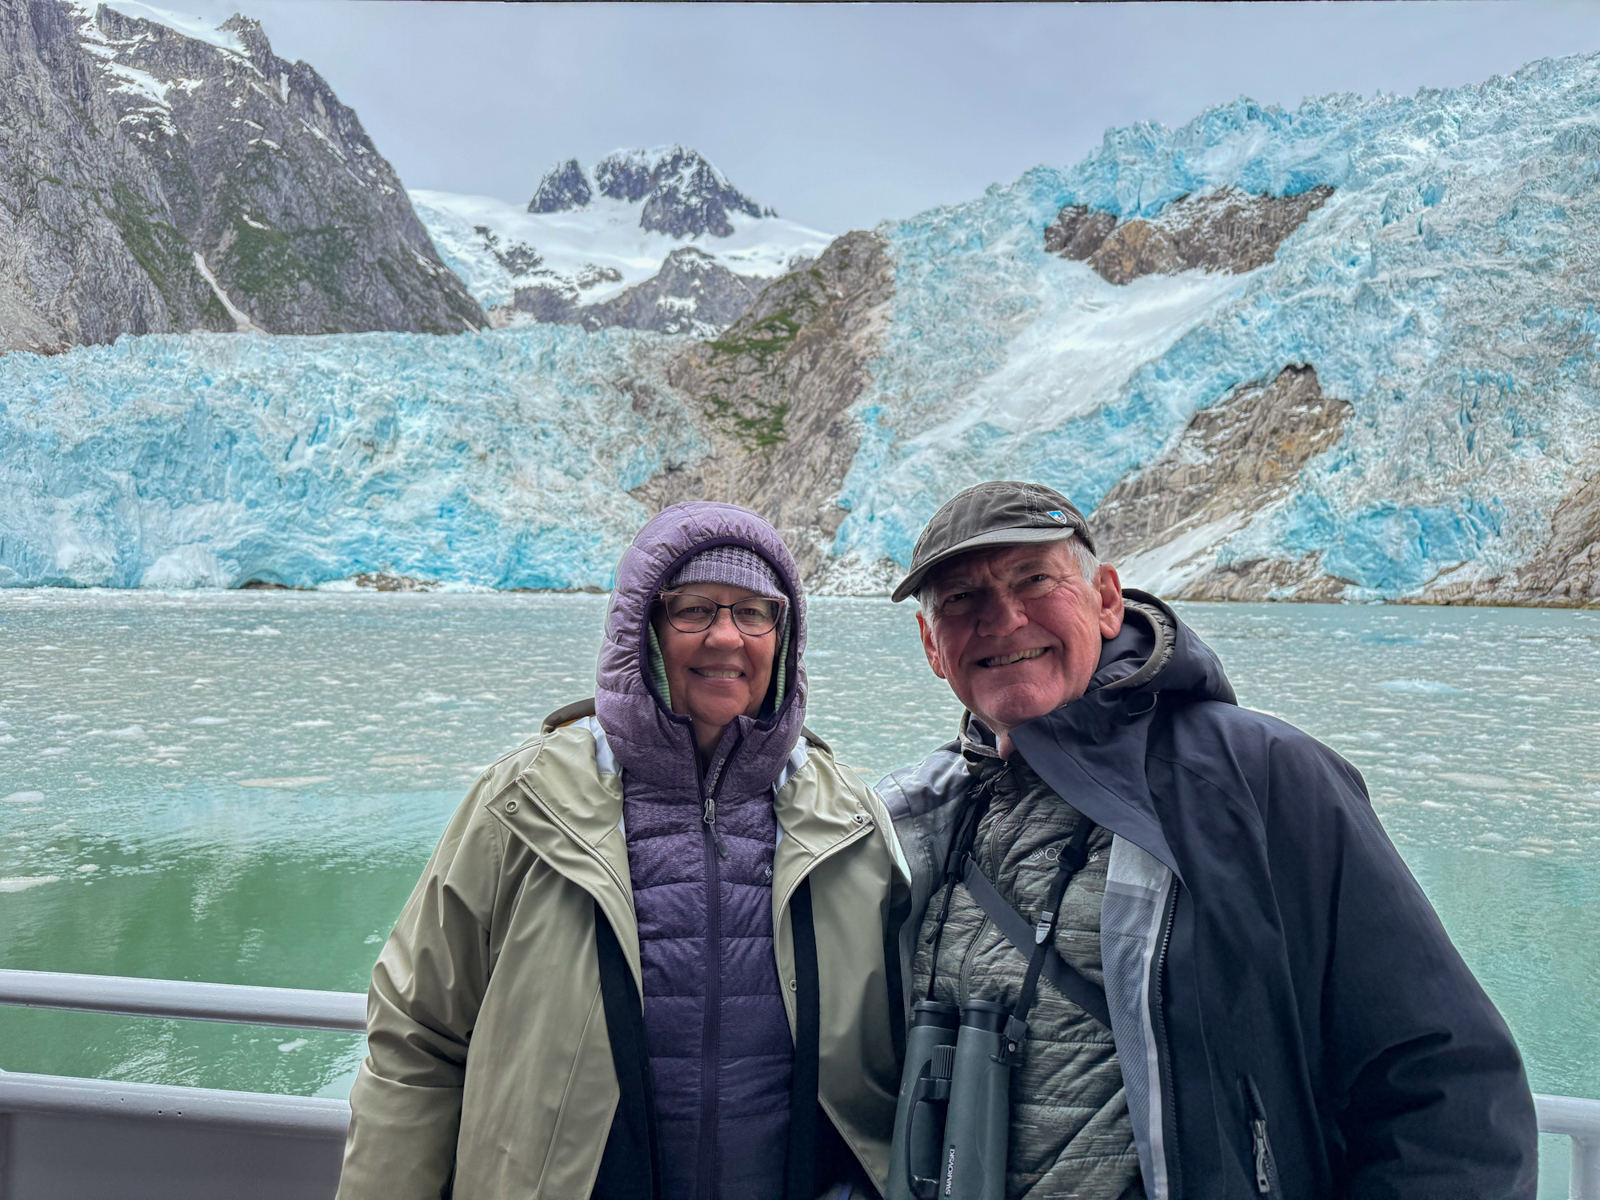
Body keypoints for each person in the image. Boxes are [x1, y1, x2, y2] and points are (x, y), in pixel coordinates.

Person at [876, 480, 1538, 1200]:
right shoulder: (928, 812)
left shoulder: (1259, 779)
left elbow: (1443, 1085)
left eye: (1034, 579)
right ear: (931, 646)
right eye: (961, 599)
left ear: (1105, 600)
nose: (1003, 618)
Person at [337, 501, 908, 1200]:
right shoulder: (525, 801)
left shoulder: (848, 818)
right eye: (694, 609)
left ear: (783, 636)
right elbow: (417, 1037)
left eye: (755, 612)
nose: (727, 636)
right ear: (642, 627)